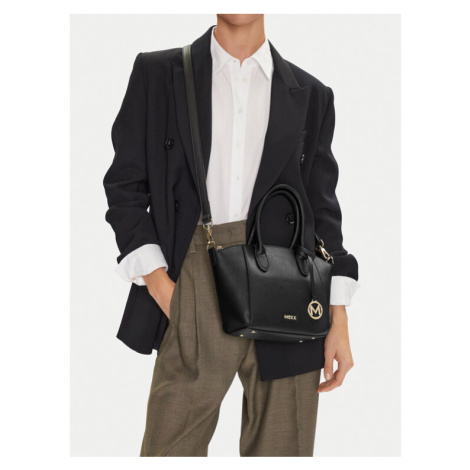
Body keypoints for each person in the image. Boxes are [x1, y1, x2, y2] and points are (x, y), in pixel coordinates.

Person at [103, 14, 359, 457]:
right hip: (193, 283)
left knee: (283, 451)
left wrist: (338, 318)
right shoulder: (158, 73)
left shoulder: (312, 94)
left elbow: (322, 212)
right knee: (168, 449)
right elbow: (124, 186)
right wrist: (162, 285)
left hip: (290, 293)